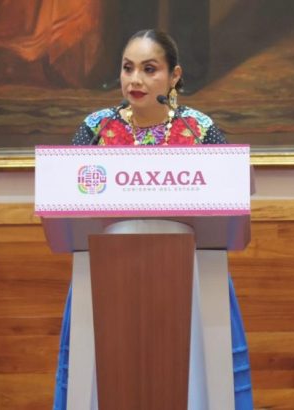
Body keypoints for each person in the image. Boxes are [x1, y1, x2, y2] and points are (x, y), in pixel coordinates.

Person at [54, 29, 253, 409]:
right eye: (127, 68)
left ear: (174, 75)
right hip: (107, 272)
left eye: (149, 69)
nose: (135, 80)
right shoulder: (96, 128)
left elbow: (232, 183)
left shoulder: (198, 129)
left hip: (193, 274)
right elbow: (64, 185)